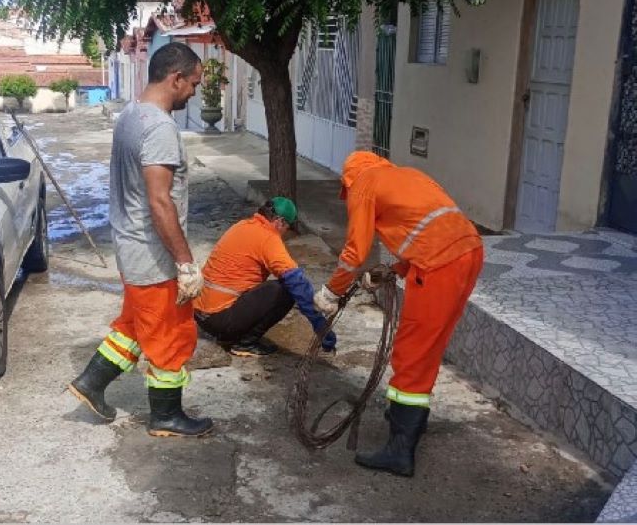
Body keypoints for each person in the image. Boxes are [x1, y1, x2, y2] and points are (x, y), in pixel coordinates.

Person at [68, 42, 212, 438]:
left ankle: (91, 383)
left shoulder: (130, 114)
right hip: (153, 256)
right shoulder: (160, 127)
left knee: (133, 325)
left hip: (131, 248)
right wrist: (185, 263)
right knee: (170, 336)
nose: (194, 93)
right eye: (193, 84)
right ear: (176, 78)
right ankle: (166, 416)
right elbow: (159, 201)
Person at [314, 151, 483, 476]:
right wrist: (392, 271)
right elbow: (428, 231)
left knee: (411, 353)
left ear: (348, 180)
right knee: (429, 345)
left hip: (439, 265)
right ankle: (410, 418)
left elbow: (354, 252)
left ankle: (400, 450)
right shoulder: (408, 176)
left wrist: (331, 291)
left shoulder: (364, 184)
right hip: (470, 252)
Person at [193, 197, 336, 357]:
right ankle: (245, 343)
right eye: (287, 227)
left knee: (269, 285)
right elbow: (297, 283)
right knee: (285, 290)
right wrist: (320, 325)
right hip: (220, 321)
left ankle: (234, 334)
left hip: (200, 314)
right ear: (280, 222)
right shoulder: (268, 237)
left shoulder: (241, 226)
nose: (285, 233)